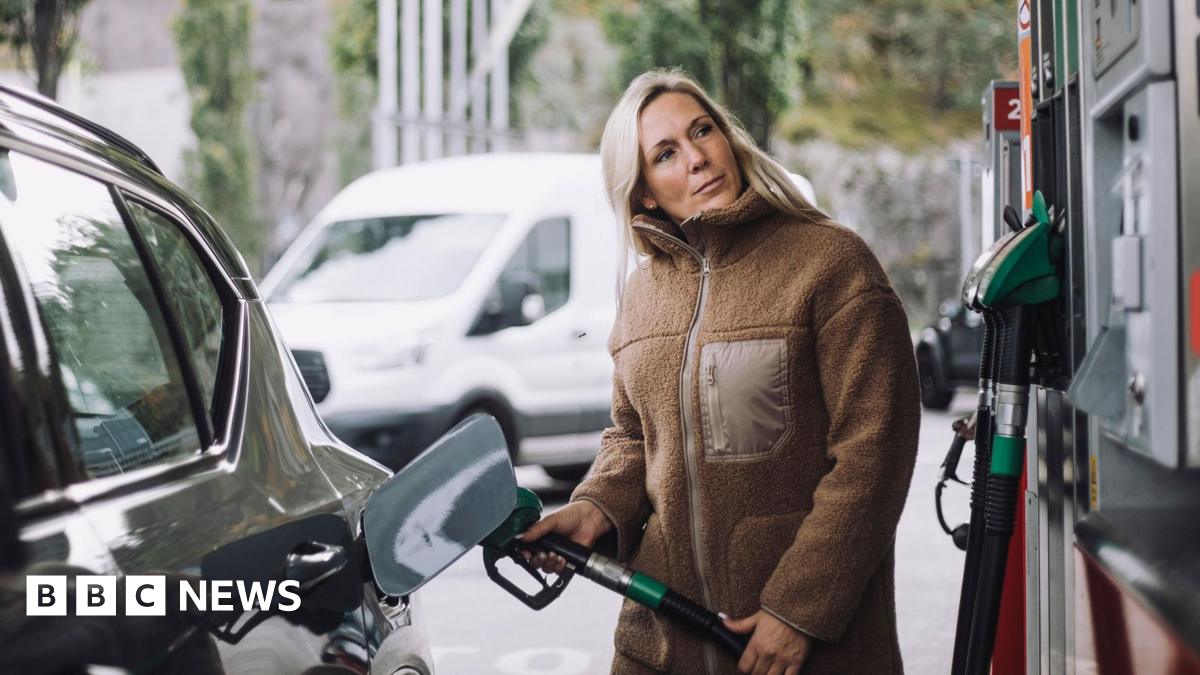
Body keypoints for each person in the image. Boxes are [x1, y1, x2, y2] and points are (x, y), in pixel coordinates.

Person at [520, 68, 921, 675]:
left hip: (797, 649)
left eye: (702, 130)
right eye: (666, 153)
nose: (697, 157)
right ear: (644, 191)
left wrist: (799, 610)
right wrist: (596, 506)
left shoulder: (829, 264)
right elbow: (633, 437)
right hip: (659, 645)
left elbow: (875, 452)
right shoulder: (642, 295)